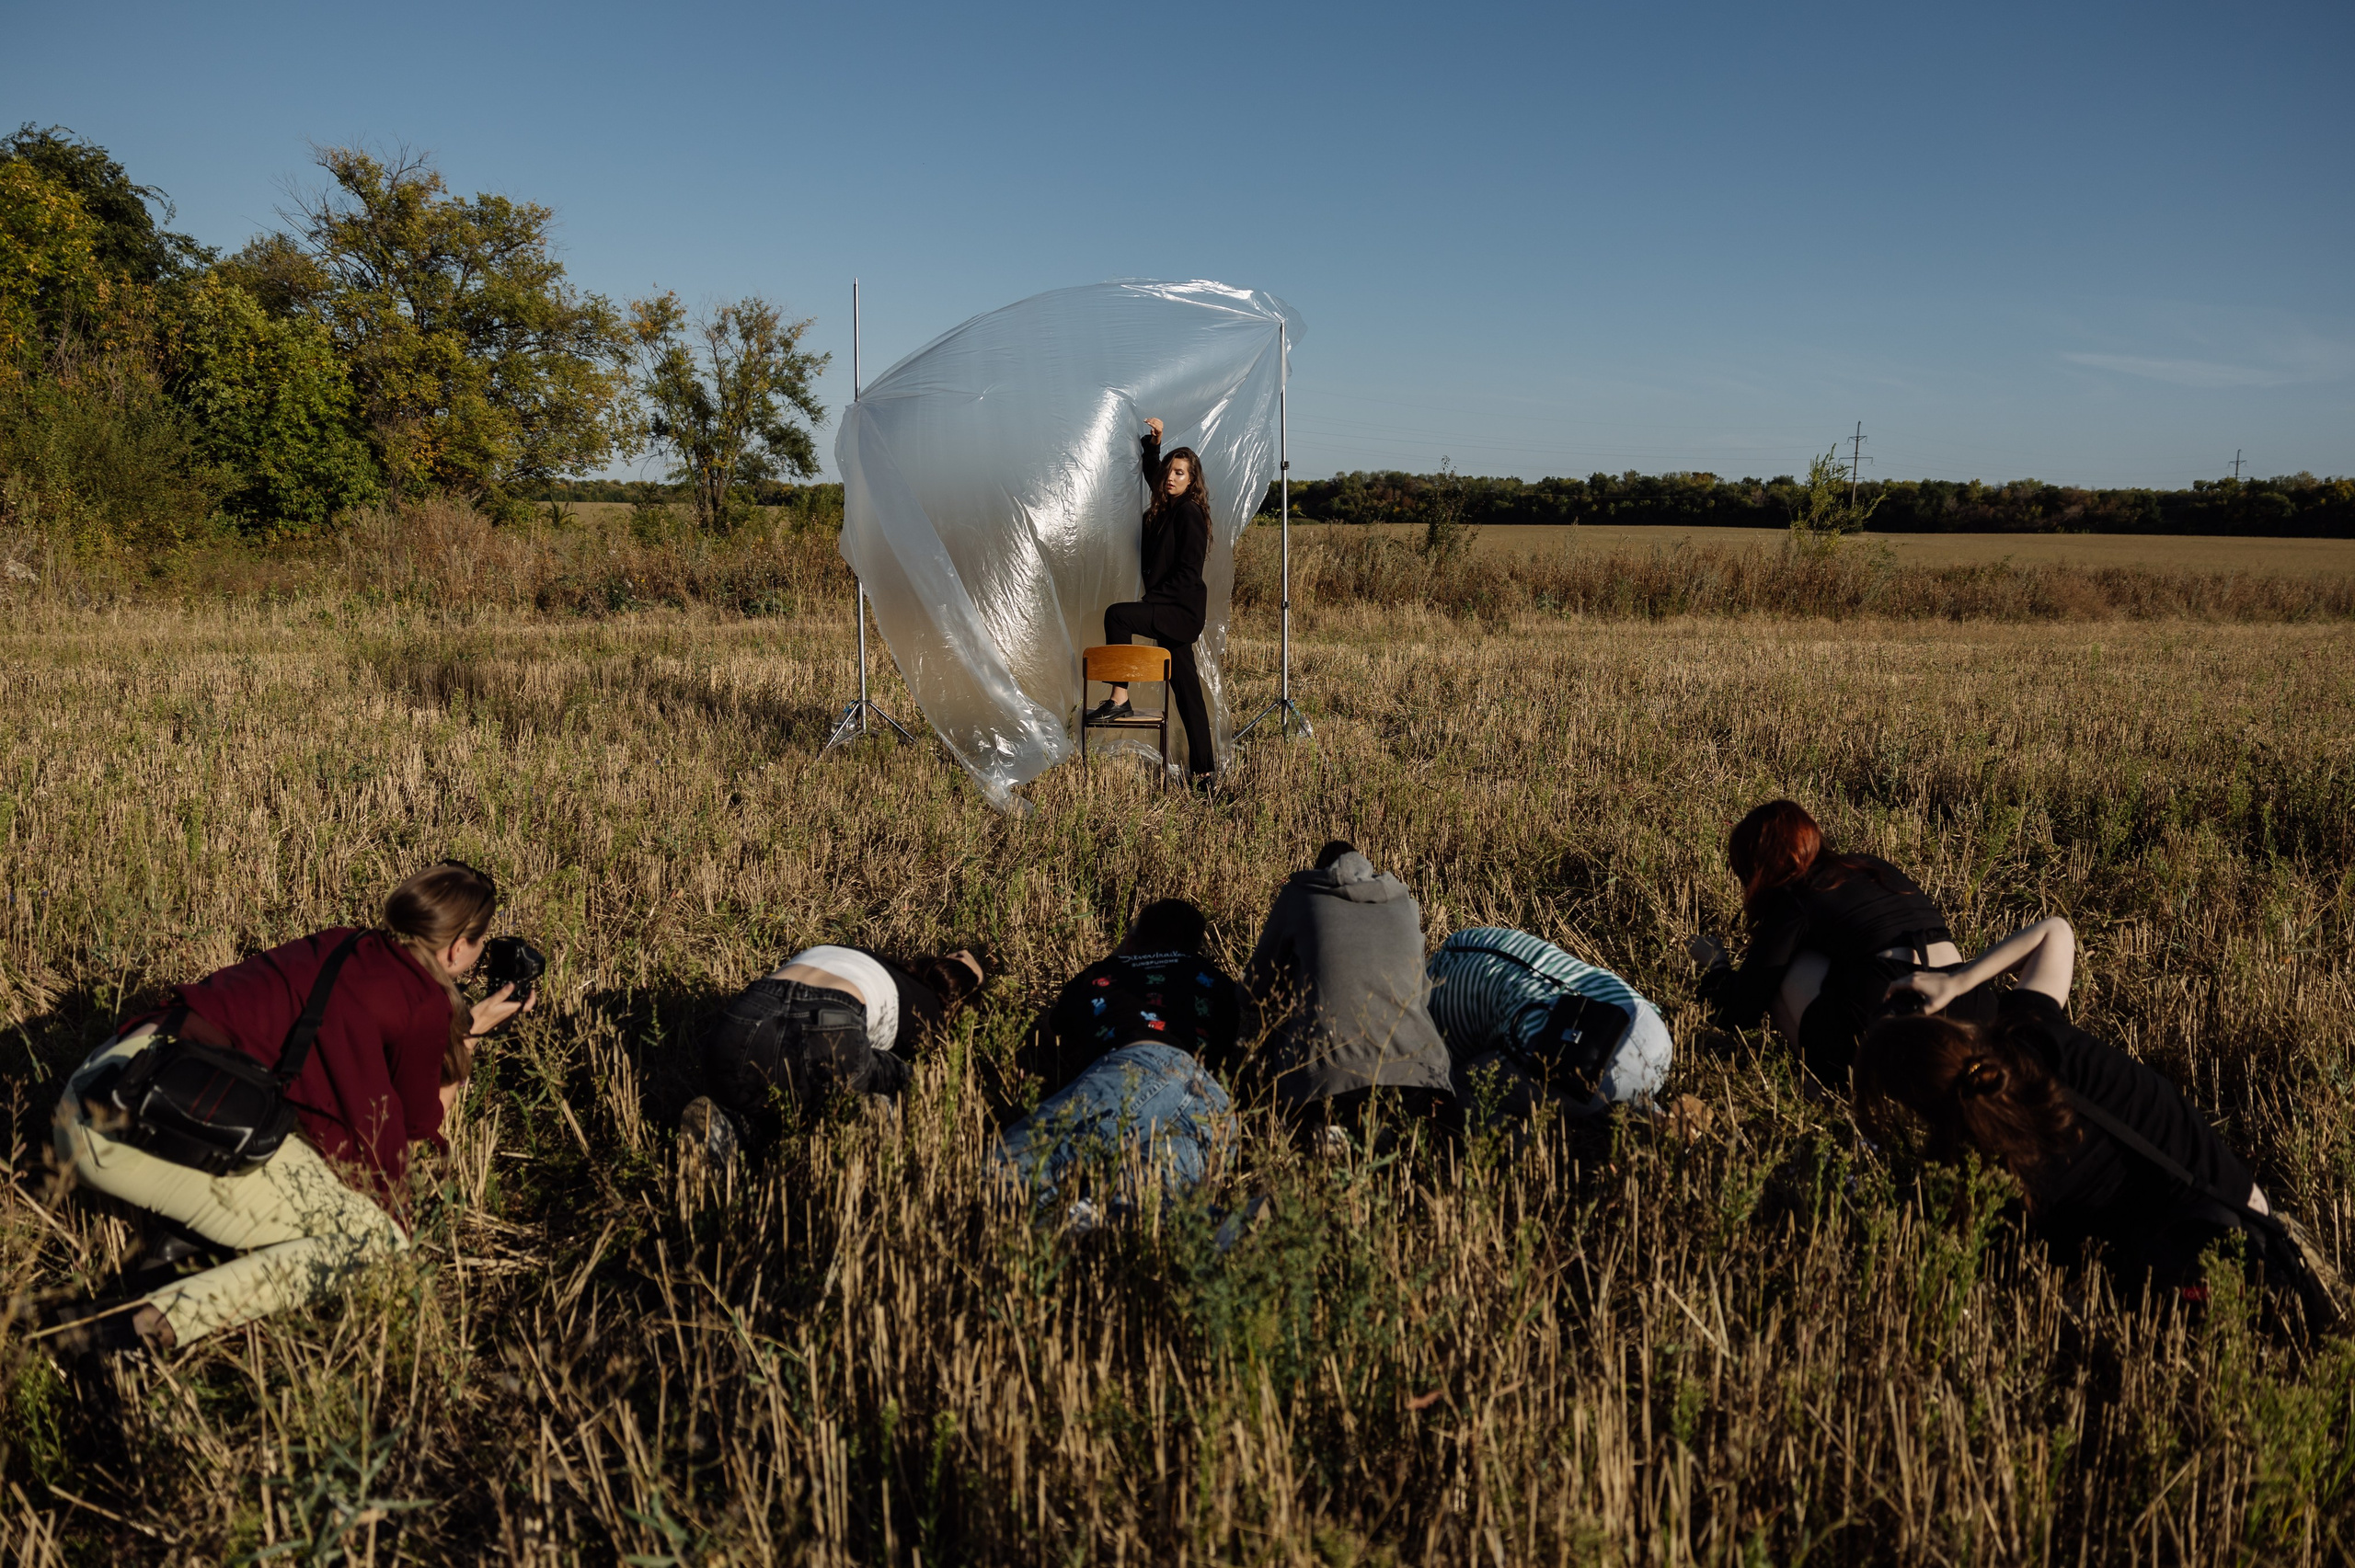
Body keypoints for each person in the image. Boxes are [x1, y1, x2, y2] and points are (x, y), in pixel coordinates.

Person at [43, 861, 531, 1354]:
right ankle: (131, 1330)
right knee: (376, 1242)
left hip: (108, 1077)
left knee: (295, 1151)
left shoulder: (345, 941)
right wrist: (465, 1044)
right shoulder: (422, 1005)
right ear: (455, 948)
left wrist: (458, 1022)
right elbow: (413, 1127)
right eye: (479, 946)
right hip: (121, 1133)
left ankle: (179, 1253)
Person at [1857, 917, 2328, 1312]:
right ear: (1950, 1028)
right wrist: (1958, 980)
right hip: (2247, 1213)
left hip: (2178, 1288)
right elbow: (2056, 932)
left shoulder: (1986, 1180)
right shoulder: (2033, 1035)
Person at [1690, 799, 1982, 1082]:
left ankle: (1826, 1083)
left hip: (1887, 997)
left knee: (1785, 971)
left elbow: (1743, 1007)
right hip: (1970, 1000)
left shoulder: (1795, 896)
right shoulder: (1870, 865)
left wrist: (1716, 963)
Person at [688, 942, 986, 1154]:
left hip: (739, 1021)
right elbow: (935, 1065)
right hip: (828, 1026)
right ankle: (871, 1114)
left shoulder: (857, 956)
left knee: (777, 1092)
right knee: (912, 1081)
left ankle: (727, 1127)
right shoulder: (930, 1007)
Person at [1245, 841, 1453, 1138]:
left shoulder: (1300, 897)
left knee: (1264, 1037)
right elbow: (1423, 995)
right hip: (1418, 1073)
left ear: (1319, 871)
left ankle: (1320, 1134)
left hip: (1324, 1077)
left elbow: (1252, 992)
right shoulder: (1406, 904)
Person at [1425, 927, 1673, 1125]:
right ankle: (1662, 1121)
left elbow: (1445, 1073)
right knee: (1615, 1084)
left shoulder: (1430, 1007)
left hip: (1583, 1064)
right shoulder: (1465, 939)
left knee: (1462, 1086)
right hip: (1648, 1026)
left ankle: (1526, 1160)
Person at [1085, 417, 1217, 784]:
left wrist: (1153, 603)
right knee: (1187, 691)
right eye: (1170, 472)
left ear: (1192, 481)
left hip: (1179, 610)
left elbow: (1190, 572)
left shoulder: (1189, 513)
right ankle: (1205, 770)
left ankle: (1120, 697)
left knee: (1119, 616)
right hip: (1172, 609)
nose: (1171, 477)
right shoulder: (1169, 505)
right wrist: (1155, 445)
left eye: (1180, 473)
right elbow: (1154, 475)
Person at [1028, 898, 1244, 1097]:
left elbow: (1048, 1037)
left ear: (1131, 940)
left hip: (1120, 1069)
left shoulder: (1100, 974)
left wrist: (1119, 956)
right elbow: (1228, 1045)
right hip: (1199, 1088)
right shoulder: (1215, 979)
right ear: (1196, 947)